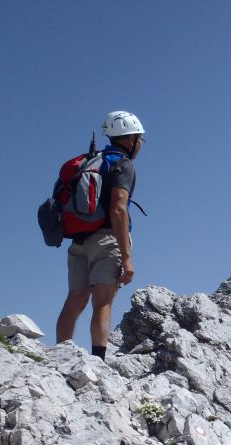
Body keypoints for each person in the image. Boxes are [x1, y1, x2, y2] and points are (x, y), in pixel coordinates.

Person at [55, 110, 145, 360]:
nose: (140, 145)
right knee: (103, 301)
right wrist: (126, 256)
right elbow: (118, 208)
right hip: (106, 239)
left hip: (78, 240)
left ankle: (60, 356)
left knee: (75, 299)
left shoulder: (92, 160)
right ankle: (98, 361)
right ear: (130, 139)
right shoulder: (122, 164)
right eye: (140, 139)